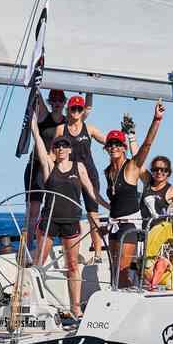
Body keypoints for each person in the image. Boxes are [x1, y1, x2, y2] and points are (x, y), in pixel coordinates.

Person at [30, 115, 107, 320]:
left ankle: (75, 308)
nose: (61, 148)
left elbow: (90, 190)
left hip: (71, 221)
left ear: (70, 149)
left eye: (65, 146)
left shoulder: (79, 167)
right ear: (54, 150)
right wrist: (33, 127)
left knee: (73, 266)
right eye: (58, 146)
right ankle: (31, 305)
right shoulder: (49, 166)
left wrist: (106, 204)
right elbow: (38, 143)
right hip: (49, 222)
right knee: (38, 264)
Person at [105, 101, 165, 288]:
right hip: (113, 225)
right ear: (106, 148)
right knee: (114, 271)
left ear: (123, 147)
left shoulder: (131, 166)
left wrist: (156, 120)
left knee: (123, 271)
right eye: (110, 144)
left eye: (117, 144)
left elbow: (146, 145)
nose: (114, 147)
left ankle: (121, 309)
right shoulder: (107, 171)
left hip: (129, 225)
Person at [54, 94, 106, 261]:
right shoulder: (61, 129)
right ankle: (68, 248)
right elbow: (53, 152)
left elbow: (110, 142)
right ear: (68, 110)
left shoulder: (89, 129)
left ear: (83, 111)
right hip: (70, 176)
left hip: (89, 174)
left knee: (93, 214)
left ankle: (97, 252)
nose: (76, 111)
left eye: (79, 108)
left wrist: (126, 140)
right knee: (68, 213)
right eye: (73, 108)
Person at [24, 89, 67, 248]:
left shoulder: (66, 122)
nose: (56, 103)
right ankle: (28, 246)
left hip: (54, 168)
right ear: (50, 102)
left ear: (64, 103)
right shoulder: (44, 116)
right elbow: (36, 92)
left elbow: (85, 113)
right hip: (36, 167)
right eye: (54, 101)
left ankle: (62, 245)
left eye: (59, 101)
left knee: (59, 209)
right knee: (33, 211)